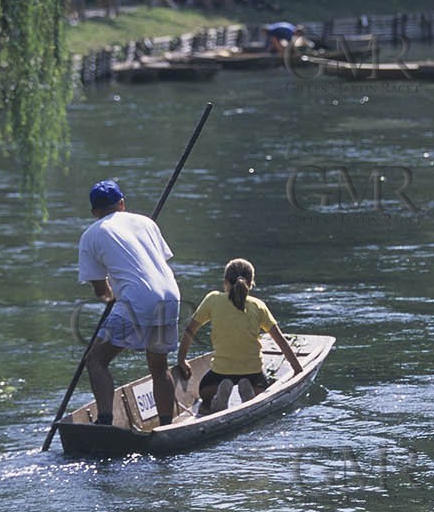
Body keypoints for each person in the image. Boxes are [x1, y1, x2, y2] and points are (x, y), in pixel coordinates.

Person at [78, 180, 180, 427]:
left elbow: (102, 291)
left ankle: (104, 422)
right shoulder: (146, 222)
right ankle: (167, 425)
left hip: (137, 300)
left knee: (96, 360)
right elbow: (156, 260)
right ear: (122, 204)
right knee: (159, 365)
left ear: (94, 212)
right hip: (170, 295)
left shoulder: (91, 234)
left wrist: (115, 299)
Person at [177, 258, 302, 413]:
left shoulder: (213, 299)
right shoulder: (258, 305)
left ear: (225, 282)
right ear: (250, 284)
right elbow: (281, 341)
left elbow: (190, 330)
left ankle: (216, 399)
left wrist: (181, 359)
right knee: (259, 388)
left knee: (204, 395)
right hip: (253, 374)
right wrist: (297, 370)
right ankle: (247, 392)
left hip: (220, 373)